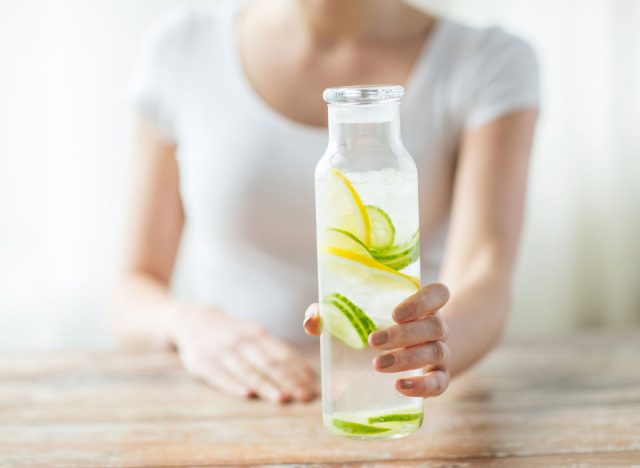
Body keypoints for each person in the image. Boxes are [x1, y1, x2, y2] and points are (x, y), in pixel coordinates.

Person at [115, 0, 539, 404]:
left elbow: (484, 279)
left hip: (393, 394)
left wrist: (434, 345)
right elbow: (133, 290)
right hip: (229, 399)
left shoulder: (488, 59)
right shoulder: (182, 47)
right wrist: (190, 325)